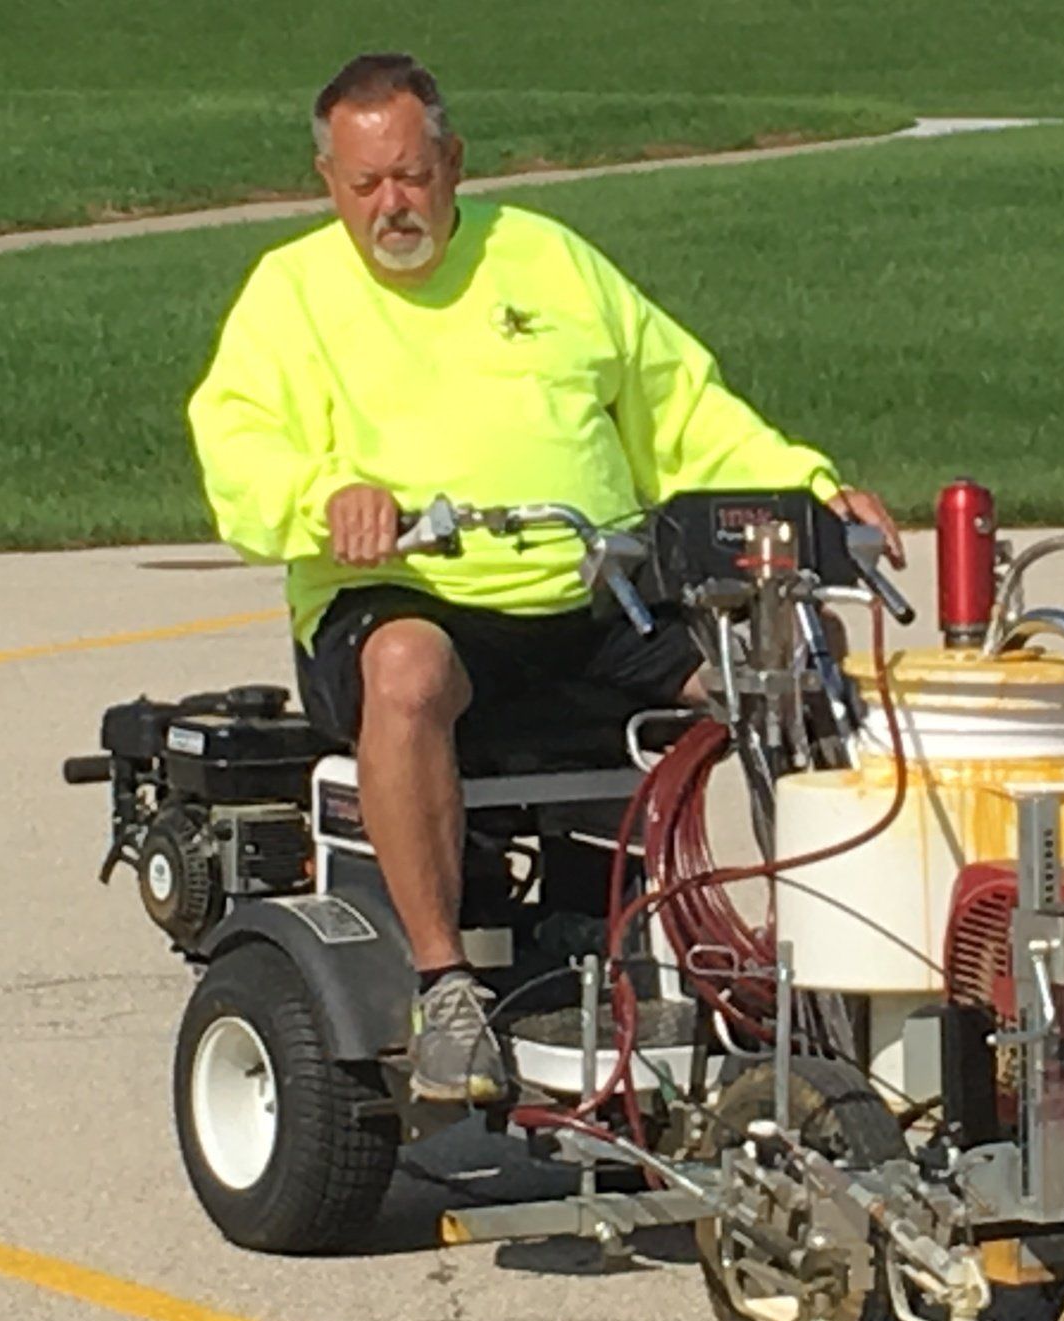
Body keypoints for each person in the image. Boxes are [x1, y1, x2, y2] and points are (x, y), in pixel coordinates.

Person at [188, 53, 901, 1104]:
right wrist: (329, 499)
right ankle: (448, 991)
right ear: (328, 184)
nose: (394, 205)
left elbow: (682, 410)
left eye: (413, 176)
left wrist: (810, 489)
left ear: (454, 162)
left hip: (592, 596)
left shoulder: (549, 261)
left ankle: (822, 961)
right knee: (408, 669)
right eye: (366, 184)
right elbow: (236, 450)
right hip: (408, 597)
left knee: (785, 664)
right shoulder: (289, 296)